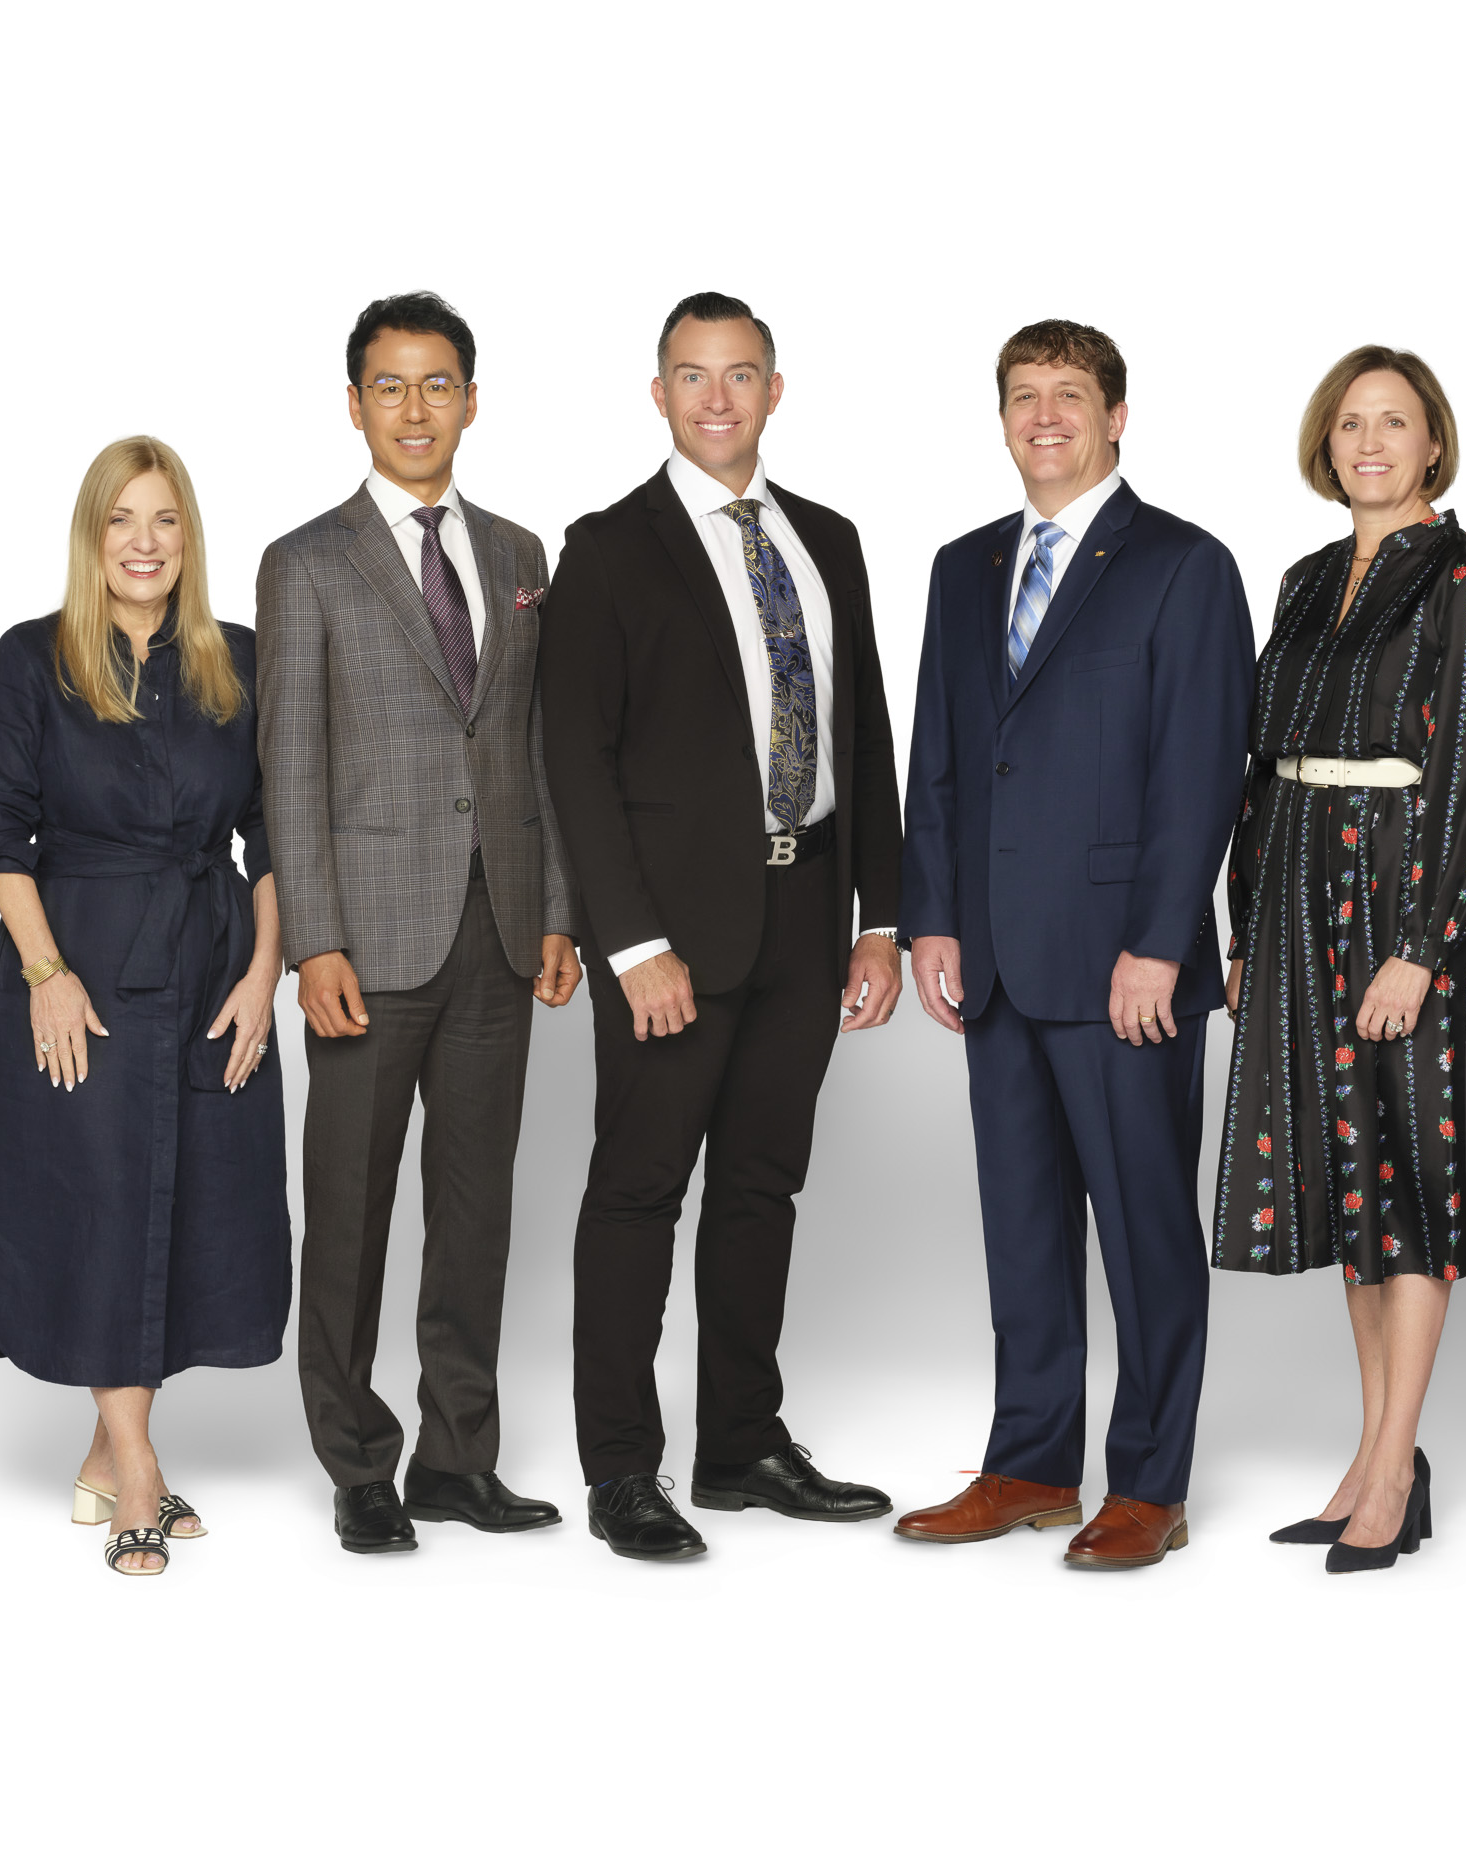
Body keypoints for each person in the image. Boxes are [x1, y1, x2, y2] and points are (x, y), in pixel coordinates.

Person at [539, 291, 904, 1562]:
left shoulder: (828, 540)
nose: (716, 397)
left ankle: (740, 1443)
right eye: (691, 375)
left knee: (761, 1188)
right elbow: (573, 760)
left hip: (806, 912)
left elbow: (863, 731)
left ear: (773, 390)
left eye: (739, 373)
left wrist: (880, 918)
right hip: (674, 935)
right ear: (658, 394)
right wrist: (632, 946)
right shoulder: (607, 550)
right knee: (639, 1193)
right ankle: (620, 1468)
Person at [893, 319, 1253, 1569]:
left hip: (1121, 971)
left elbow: (1201, 771)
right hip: (994, 957)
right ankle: (1032, 1463)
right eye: (1022, 396)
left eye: (1068, 395)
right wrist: (931, 914)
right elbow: (940, 756)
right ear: (1001, 418)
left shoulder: (1182, 565)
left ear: (1115, 418)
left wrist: (1160, 941)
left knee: (1144, 1232)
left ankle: (1149, 1483)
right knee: (1023, 1228)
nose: (1043, 416)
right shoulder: (962, 567)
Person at [257, 292, 581, 1557]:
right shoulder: (307, 562)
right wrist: (314, 941)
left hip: (498, 931)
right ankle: (357, 1463)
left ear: (471, 400)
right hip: (368, 943)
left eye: (436, 383)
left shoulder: (518, 553)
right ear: (354, 405)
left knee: (474, 1211)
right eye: (388, 386)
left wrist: (555, 910)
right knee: (347, 1212)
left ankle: (457, 1458)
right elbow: (289, 767)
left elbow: (538, 746)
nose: (414, 408)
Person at [1213, 348, 1466, 1572]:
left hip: (1407, 893)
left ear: (1432, 443)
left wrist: (1421, 946)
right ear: (1325, 443)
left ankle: (1395, 1466)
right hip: (1298, 889)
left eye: (1394, 422)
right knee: (1347, 1181)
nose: (1370, 443)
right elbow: (1259, 763)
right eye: (1351, 423)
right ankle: (1370, 1452)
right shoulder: (1301, 581)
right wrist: (1245, 925)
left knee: (1411, 1182)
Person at [0, 436, 290, 1577]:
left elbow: (272, 831)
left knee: (193, 1202)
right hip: (83, 964)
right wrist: (47, 976)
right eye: (121, 520)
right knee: (99, 1202)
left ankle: (107, 1454)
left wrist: (264, 975)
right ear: (90, 535)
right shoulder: (31, 659)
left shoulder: (237, 660)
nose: (144, 543)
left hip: (212, 964)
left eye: (165, 519)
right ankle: (141, 1469)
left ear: (188, 535)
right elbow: (2, 834)